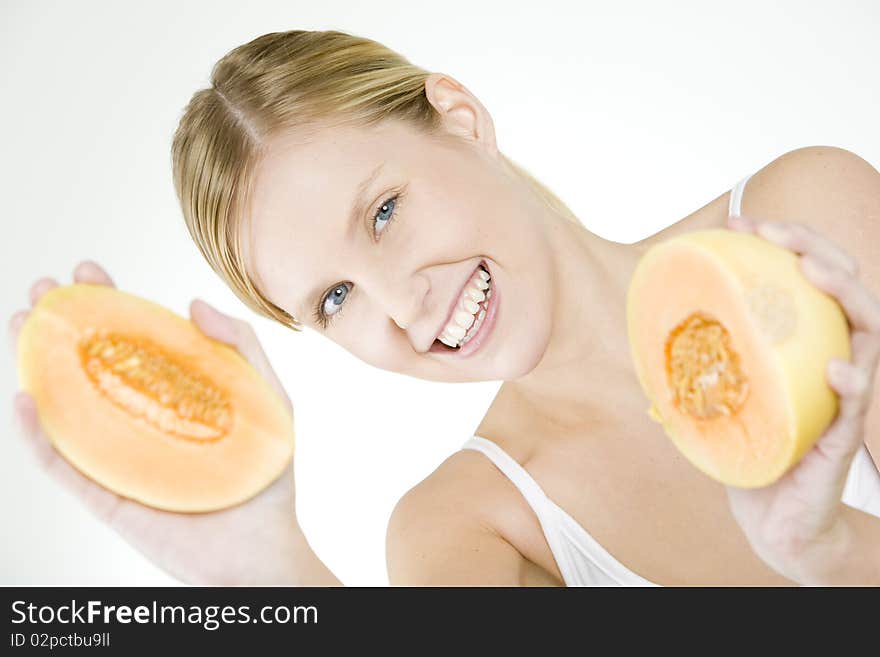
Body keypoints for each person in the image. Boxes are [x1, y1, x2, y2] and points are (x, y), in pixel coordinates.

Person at [10, 29, 880, 586]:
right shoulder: (465, 530)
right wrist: (265, 570)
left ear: (460, 118)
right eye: (336, 297)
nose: (403, 305)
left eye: (383, 212)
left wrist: (831, 552)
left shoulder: (802, 225)